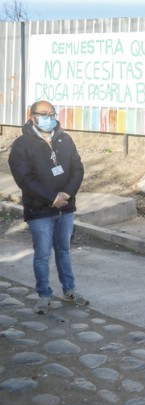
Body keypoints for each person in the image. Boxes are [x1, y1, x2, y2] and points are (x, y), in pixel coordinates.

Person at [8, 100, 88, 314]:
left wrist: (67, 194)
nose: (48, 118)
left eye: (51, 113)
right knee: (42, 254)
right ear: (31, 115)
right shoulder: (22, 144)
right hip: (40, 210)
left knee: (64, 251)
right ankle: (44, 295)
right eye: (43, 114)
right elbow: (24, 179)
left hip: (66, 208)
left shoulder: (65, 139)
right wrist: (52, 198)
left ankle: (69, 290)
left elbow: (77, 169)